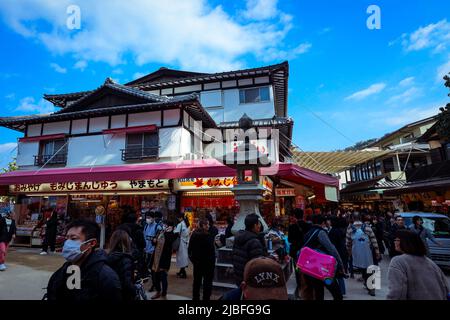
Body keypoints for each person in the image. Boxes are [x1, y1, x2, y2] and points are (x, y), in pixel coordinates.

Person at [46, 219, 122, 301]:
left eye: (73, 238)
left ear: (92, 243)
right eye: (67, 238)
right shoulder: (64, 271)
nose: (67, 243)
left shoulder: (105, 276)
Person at [387, 230, 449, 300]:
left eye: (397, 240)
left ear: (406, 242)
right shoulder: (431, 263)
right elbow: (446, 289)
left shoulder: (398, 261)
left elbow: (397, 293)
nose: (394, 242)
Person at [300, 214, 344, 301]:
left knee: (318, 293)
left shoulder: (308, 233)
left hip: (312, 269)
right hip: (323, 269)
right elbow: (331, 249)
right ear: (323, 223)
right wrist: (340, 264)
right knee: (337, 293)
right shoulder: (321, 233)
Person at [346, 213, 380, 296]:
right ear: (361, 218)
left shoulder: (350, 228)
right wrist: (377, 251)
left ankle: (368, 284)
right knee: (369, 268)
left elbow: (347, 242)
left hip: (356, 252)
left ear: (353, 218)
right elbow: (374, 240)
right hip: (367, 251)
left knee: (362, 268)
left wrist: (349, 252)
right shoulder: (368, 227)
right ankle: (371, 287)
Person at [232, 213, 267, 285]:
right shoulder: (254, 242)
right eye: (259, 224)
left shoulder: (238, 237)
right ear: (255, 225)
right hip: (250, 280)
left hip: (239, 277)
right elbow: (259, 264)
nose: (260, 226)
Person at [188, 219, 216, 301]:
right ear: (202, 225)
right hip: (208, 265)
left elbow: (190, 250)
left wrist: (194, 260)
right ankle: (206, 298)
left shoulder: (194, 235)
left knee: (197, 282)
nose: (208, 226)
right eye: (206, 225)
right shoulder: (208, 236)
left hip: (197, 264)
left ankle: (195, 297)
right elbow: (211, 251)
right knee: (207, 283)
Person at [106, 229, 136, 301]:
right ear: (126, 242)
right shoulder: (126, 259)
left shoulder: (108, 257)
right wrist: (134, 290)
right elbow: (127, 283)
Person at [150, 220, 177, 299]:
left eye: (166, 225)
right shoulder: (160, 232)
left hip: (164, 259)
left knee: (163, 276)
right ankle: (158, 291)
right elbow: (154, 242)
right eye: (164, 225)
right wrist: (153, 240)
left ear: (170, 227)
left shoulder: (172, 234)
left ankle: (164, 293)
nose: (164, 226)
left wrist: (166, 232)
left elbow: (169, 242)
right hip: (156, 258)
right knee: (155, 276)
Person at [288, 209, 306, 299]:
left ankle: (300, 288)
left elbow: (290, 240)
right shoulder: (308, 225)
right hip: (306, 251)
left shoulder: (291, 227)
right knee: (306, 269)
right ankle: (306, 287)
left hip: (295, 250)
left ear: (295, 216)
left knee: (298, 269)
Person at [328, 216, 348, 296]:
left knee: (336, 273)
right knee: (339, 274)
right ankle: (342, 290)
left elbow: (332, 245)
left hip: (336, 254)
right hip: (341, 253)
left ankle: (339, 291)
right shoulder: (340, 231)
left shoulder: (333, 232)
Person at [143, 211, 163, 290]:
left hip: (154, 252)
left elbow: (161, 240)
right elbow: (144, 237)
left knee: (154, 270)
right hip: (147, 251)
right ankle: (155, 284)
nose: (147, 219)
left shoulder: (157, 227)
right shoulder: (146, 226)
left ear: (153, 218)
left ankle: (155, 285)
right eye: (146, 217)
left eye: (149, 217)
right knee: (150, 270)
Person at [174, 213, 190, 279]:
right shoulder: (187, 224)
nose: (178, 219)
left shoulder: (180, 224)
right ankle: (181, 271)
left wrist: (174, 229)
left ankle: (183, 273)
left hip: (181, 242)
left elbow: (175, 232)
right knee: (183, 257)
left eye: (178, 218)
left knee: (181, 258)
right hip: (186, 242)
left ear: (180, 218)